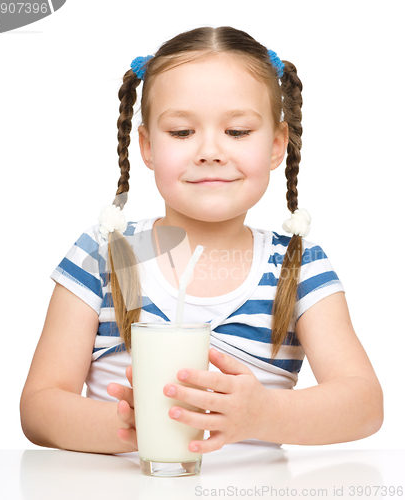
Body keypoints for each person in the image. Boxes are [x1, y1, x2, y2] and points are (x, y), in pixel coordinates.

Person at [20, 26, 383, 455]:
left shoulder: (298, 267)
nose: (210, 151)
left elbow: (365, 404)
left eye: (238, 131)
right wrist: (135, 424)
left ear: (276, 145)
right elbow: (39, 408)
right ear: (147, 146)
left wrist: (264, 414)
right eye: (180, 132)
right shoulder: (104, 257)